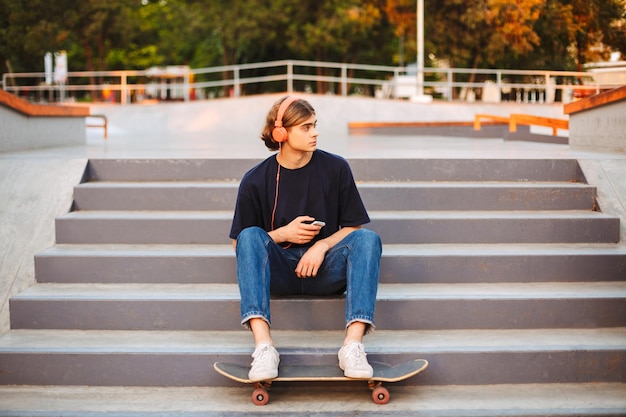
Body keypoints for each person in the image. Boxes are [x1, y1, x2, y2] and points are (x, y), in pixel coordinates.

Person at [229, 95, 382, 382]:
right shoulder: (255, 179)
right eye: (306, 128)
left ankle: (353, 346)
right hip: (280, 272)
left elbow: (353, 227)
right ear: (281, 134)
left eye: (315, 125)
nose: (315, 133)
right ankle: (264, 347)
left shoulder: (335, 168)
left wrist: (322, 246)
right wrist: (282, 234)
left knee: (368, 239)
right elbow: (241, 245)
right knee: (250, 235)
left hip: (324, 271)